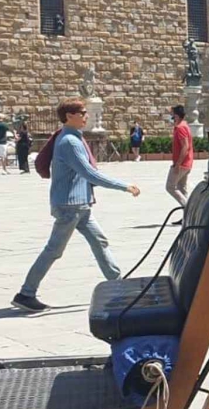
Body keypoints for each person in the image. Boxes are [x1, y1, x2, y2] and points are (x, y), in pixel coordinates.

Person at [13, 99, 140, 312]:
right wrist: (124, 186)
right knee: (53, 250)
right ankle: (26, 293)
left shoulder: (72, 138)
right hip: (70, 206)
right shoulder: (70, 142)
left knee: (100, 242)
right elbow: (89, 173)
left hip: (80, 206)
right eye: (82, 112)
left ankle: (118, 285)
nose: (86, 116)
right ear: (69, 116)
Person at [167, 104, 194, 207]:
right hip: (187, 163)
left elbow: (185, 146)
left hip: (182, 164)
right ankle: (187, 217)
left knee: (170, 187)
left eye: (172, 115)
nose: (171, 117)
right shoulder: (184, 125)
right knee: (182, 188)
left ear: (176, 116)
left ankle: (188, 209)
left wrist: (177, 165)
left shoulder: (180, 128)